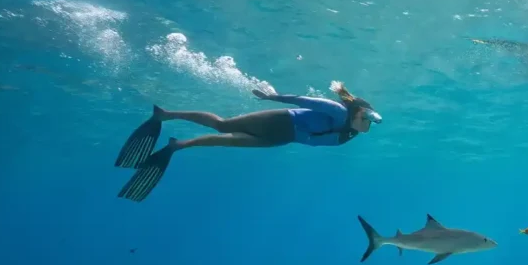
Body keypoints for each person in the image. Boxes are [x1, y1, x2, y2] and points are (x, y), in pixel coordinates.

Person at [114, 81, 381, 202]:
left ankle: (177, 145)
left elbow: (314, 142)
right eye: (366, 118)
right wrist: (271, 98)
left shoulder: (348, 136)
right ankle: (166, 115)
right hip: (278, 121)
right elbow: (305, 101)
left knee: (226, 141)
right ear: (356, 112)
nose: (368, 125)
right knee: (222, 126)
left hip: (282, 138)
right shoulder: (338, 112)